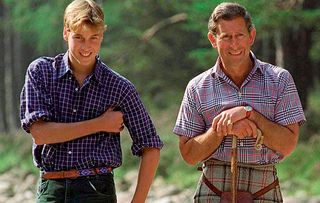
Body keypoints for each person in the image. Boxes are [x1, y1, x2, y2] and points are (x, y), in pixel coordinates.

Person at [20, 0, 163, 202]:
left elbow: (151, 146)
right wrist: (100, 124)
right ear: (65, 33)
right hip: (52, 189)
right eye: (78, 37)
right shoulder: (41, 72)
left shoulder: (119, 86)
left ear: (102, 36)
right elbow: (41, 134)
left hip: (97, 189)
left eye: (93, 38)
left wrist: (137, 201)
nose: (86, 47)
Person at [173, 2, 306, 202]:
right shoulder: (197, 87)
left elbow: (288, 145)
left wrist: (249, 114)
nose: (234, 44)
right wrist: (223, 128)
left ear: (251, 36)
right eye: (226, 37)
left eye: (239, 35)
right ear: (213, 39)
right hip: (212, 187)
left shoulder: (280, 80)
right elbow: (189, 155)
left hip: (264, 185)